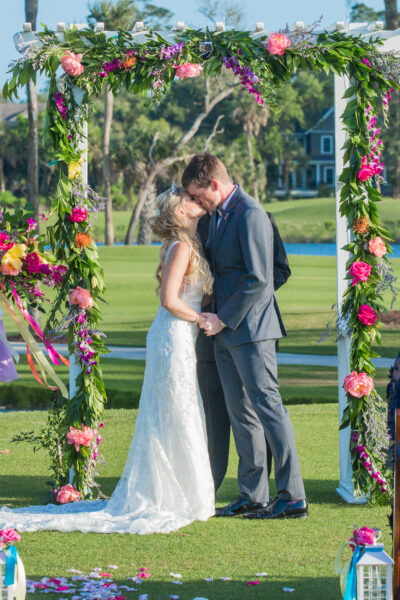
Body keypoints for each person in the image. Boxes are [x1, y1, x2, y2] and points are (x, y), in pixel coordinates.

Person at [0, 185, 215, 534]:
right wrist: (201, 319)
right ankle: (172, 495)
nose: (197, 202)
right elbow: (168, 300)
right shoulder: (180, 247)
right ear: (181, 212)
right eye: (191, 200)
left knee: (180, 408)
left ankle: (187, 492)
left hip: (179, 336)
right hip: (174, 334)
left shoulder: (187, 244)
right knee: (174, 409)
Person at [183, 154, 308, 520]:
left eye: (197, 195)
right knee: (242, 416)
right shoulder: (218, 216)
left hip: (251, 332)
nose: (196, 203)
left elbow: (260, 279)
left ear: (214, 185)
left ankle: (293, 496)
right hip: (224, 334)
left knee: (269, 411)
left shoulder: (251, 214)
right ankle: (252, 495)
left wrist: (222, 318)